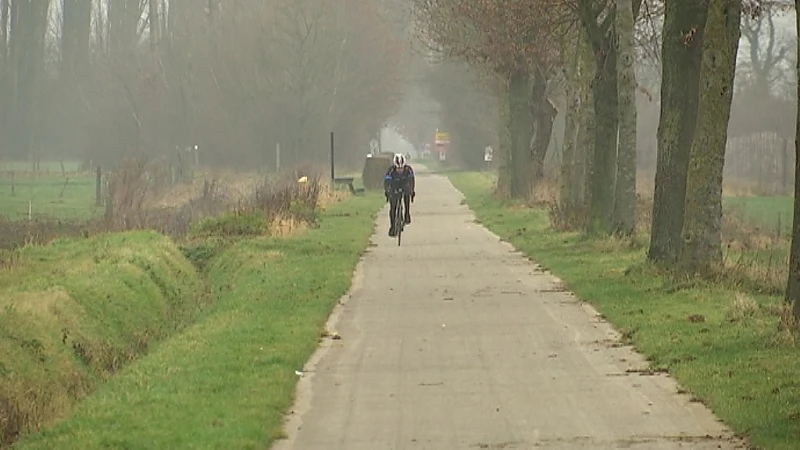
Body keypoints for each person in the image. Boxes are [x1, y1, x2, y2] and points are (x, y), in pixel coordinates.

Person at [384, 153, 415, 237]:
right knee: (393, 207)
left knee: (407, 193)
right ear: (395, 166)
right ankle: (393, 226)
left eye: (401, 168)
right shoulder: (391, 170)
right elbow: (386, 183)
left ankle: (407, 214)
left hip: (404, 184)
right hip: (394, 185)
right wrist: (388, 192)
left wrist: (412, 191)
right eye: (398, 168)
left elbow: (412, 182)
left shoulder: (408, 170)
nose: (400, 170)